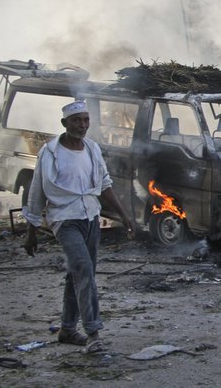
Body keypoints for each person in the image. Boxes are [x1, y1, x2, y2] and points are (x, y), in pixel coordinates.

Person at [24, 100, 137, 354]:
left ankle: (66, 329)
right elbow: (37, 191)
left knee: (77, 273)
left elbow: (104, 184)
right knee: (84, 269)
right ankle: (94, 332)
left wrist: (124, 216)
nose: (83, 125)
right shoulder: (50, 152)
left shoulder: (92, 149)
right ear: (64, 123)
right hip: (64, 219)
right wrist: (31, 231)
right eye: (77, 120)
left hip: (90, 217)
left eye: (86, 120)